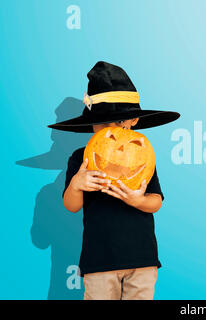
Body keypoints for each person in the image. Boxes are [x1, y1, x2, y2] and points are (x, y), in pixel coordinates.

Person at [48, 61, 180, 300]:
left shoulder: (143, 154)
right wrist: (77, 185)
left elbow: (156, 202)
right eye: (104, 124)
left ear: (133, 121)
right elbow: (71, 205)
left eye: (119, 122)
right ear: (91, 124)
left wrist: (137, 200)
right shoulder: (81, 158)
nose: (112, 133)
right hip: (99, 260)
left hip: (142, 260)